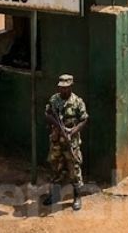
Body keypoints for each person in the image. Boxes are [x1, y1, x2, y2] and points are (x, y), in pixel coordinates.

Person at [43, 74, 89, 211]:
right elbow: (47, 114)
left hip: (71, 142)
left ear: (71, 87)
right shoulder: (54, 99)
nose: (63, 90)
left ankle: (77, 197)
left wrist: (72, 131)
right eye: (61, 87)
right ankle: (55, 195)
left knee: (74, 169)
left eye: (66, 88)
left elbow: (84, 119)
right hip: (56, 140)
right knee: (55, 167)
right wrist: (57, 125)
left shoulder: (77, 102)